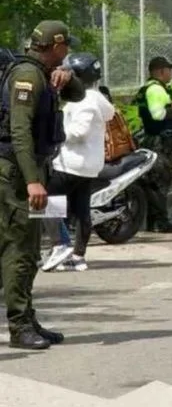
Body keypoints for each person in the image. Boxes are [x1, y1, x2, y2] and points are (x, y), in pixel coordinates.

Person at [0, 20, 88, 349]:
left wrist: (68, 75)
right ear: (56, 45)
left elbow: (78, 93)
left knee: (28, 248)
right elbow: (20, 132)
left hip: (26, 171)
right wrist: (33, 182)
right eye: (66, 47)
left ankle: (27, 318)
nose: (68, 52)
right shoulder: (27, 76)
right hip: (17, 174)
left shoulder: (44, 72)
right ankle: (19, 326)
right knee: (20, 251)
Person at [41, 52, 114, 273]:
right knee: (81, 210)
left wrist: (55, 131)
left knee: (43, 199)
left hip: (71, 163)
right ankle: (78, 257)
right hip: (89, 165)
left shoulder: (85, 99)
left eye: (68, 72)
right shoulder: (98, 98)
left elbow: (79, 131)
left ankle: (60, 244)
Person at [135, 57, 172, 233]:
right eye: (169, 70)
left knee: (153, 182)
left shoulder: (149, 88)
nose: (171, 73)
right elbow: (158, 115)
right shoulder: (155, 89)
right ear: (161, 71)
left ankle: (153, 221)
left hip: (156, 140)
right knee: (159, 182)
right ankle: (159, 223)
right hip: (160, 142)